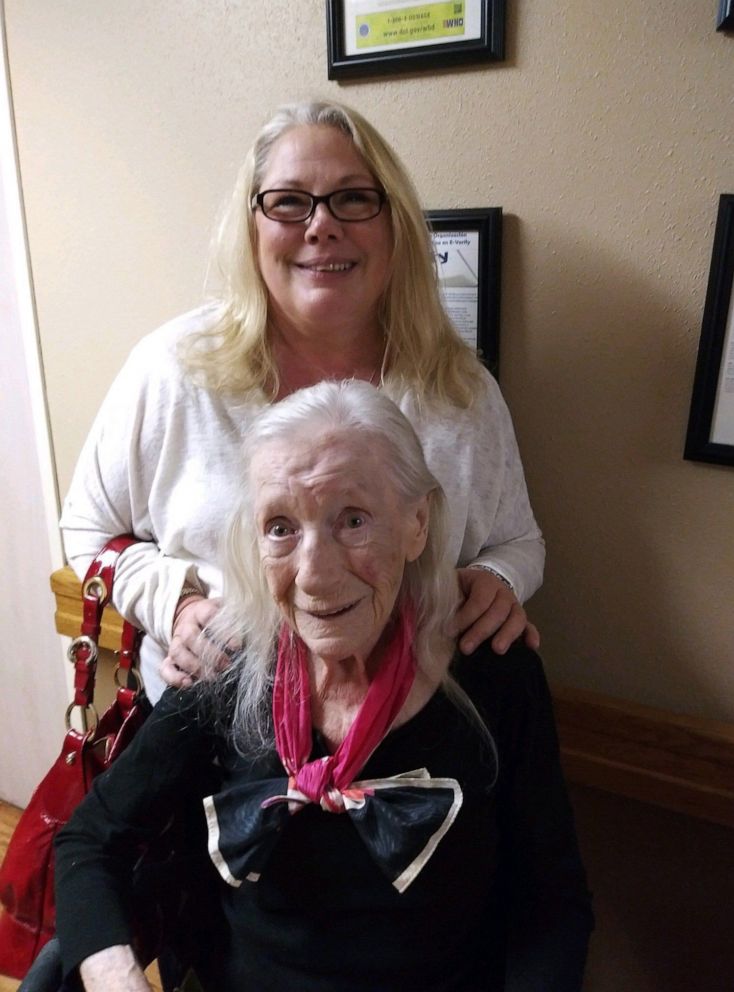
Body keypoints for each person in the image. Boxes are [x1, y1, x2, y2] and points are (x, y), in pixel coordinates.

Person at [55, 381, 592, 992]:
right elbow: (89, 840)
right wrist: (115, 974)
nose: (314, 575)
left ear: (417, 524)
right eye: (280, 528)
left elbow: (552, 901)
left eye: (353, 520)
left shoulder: (494, 669)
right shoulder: (224, 666)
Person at [59, 99, 544, 705]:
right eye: (288, 202)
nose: (321, 226)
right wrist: (174, 603)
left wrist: (498, 580)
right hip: (210, 740)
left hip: (412, 749)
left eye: (353, 198)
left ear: (394, 225)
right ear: (252, 226)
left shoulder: (458, 391)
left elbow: (518, 542)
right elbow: (87, 527)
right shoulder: (173, 372)